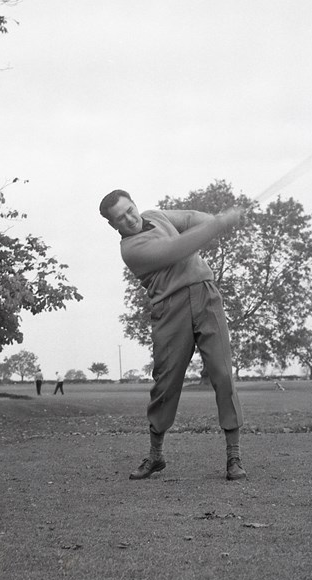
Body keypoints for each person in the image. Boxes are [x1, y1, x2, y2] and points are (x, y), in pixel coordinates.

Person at [99, 189, 247, 481]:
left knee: (222, 373)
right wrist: (218, 224)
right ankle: (156, 456)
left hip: (206, 295)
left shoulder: (155, 215)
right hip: (169, 309)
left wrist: (217, 219)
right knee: (166, 383)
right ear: (112, 225)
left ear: (135, 204)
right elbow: (177, 249)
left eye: (131, 210)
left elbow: (191, 218)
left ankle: (234, 456)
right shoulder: (131, 249)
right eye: (121, 218)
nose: (130, 219)